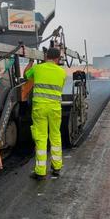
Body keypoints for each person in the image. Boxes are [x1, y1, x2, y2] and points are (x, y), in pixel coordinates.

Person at [24, 47, 67, 180]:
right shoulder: (62, 72)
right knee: (55, 136)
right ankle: (57, 167)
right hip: (55, 109)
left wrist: (31, 62)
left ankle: (40, 172)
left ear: (46, 56)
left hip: (40, 108)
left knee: (41, 138)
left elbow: (26, 75)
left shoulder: (38, 68)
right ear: (58, 59)